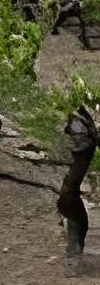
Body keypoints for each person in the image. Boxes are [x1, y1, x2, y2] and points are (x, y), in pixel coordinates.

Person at [59, 104, 97, 259]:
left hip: (85, 144)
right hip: (84, 143)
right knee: (68, 194)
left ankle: (75, 246)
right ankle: (75, 245)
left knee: (68, 195)